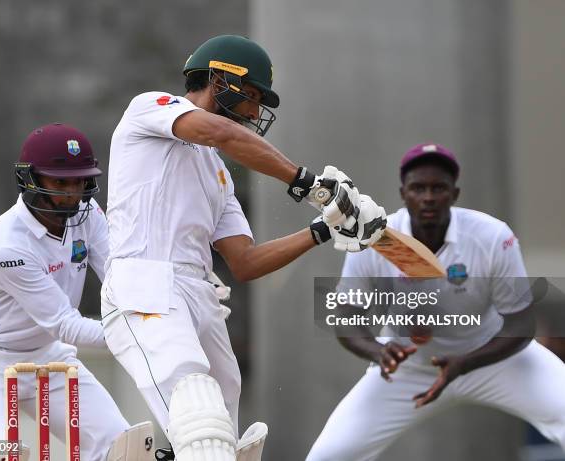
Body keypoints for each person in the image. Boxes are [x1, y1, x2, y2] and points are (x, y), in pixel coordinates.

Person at [101, 34, 387, 461]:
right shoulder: (150, 108)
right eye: (251, 95)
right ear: (219, 78)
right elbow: (218, 132)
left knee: (225, 429)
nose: (254, 112)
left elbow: (246, 262)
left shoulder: (218, 174)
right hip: (145, 285)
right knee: (199, 415)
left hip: (199, 295)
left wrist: (323, 229)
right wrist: (309, 184)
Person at [306, 143, 565, 460]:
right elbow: (347, 316)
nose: (428, 197)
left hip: (493, 357)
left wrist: (465, 363)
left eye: (438, 188)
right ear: (403, 193)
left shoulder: (492, 236)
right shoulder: (375, 237)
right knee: (328, 456)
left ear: (455, 194)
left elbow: (521, 325)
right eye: (418, 188)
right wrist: (379, 350)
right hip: (409, 368)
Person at [0, 123, 138, 461]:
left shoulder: (87, 212)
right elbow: (65, 325)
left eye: (80, 182)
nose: (72, 193)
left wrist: (167, 300)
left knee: (121, 447)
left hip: (47, 353)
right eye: (60, 183)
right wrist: (138, 332)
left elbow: (120, 275)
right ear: (31, 180)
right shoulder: (6, 246)